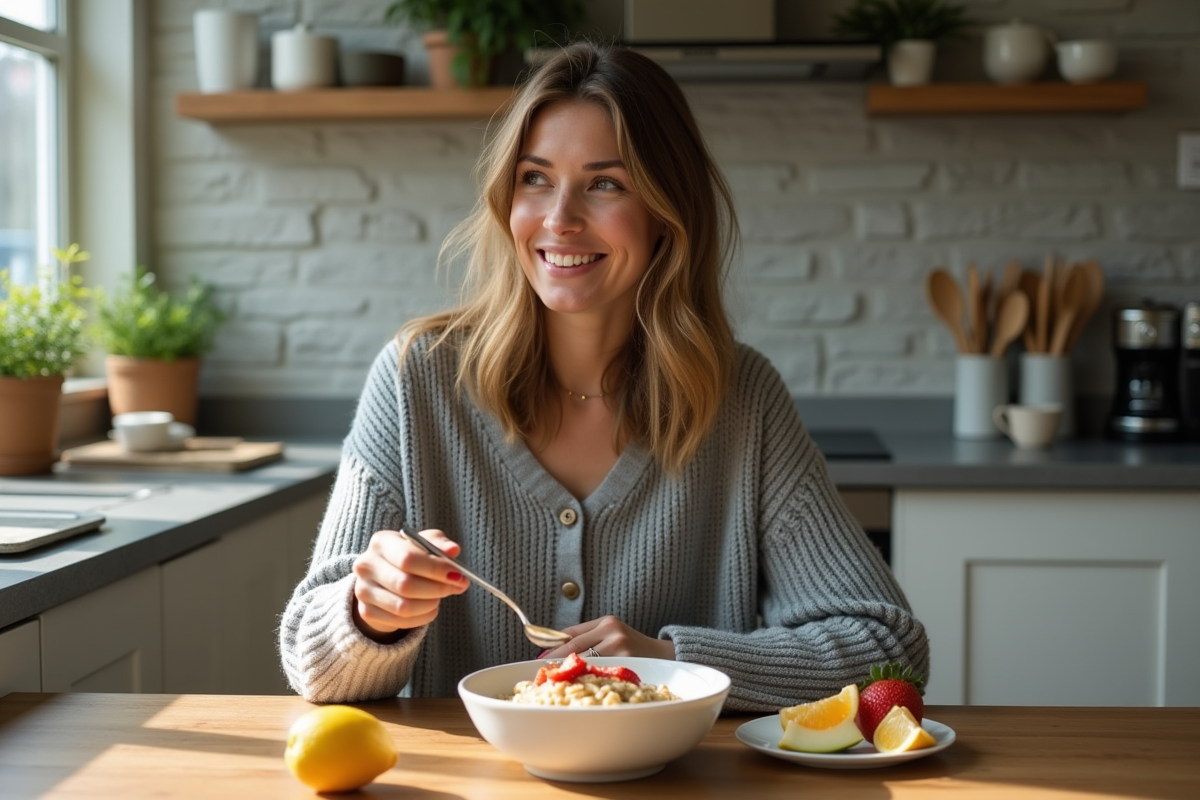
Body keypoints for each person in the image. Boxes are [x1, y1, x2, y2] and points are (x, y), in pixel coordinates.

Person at [279, 40, 928, 711]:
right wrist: (371, 614)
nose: (560, 219)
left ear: (665, 215)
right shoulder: (417, 381)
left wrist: (672, 662)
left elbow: (888, 652)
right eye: (535, 178)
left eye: (606, 184)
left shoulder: (741, 401)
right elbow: (315, 667)